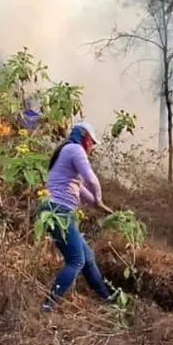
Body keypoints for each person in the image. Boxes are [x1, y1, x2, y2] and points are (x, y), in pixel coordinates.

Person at [38, 121, 114, 311]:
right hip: (59, 211)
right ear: (85, 138)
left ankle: (107, 300)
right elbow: (91, 180)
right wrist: (99, 199)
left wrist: (103, 208)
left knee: (87, 258)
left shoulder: (67, 153)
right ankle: (48, 305)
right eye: (92, 142)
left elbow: (81, 190)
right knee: (76, 260)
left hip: (56, 210)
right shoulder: (75, 149)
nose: (92, 147)